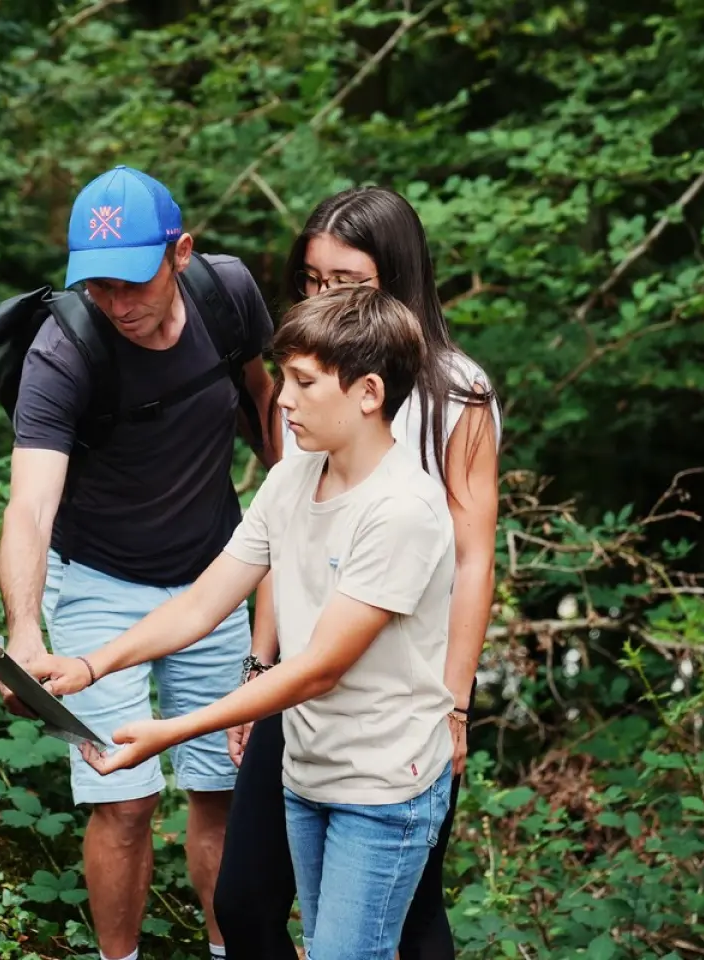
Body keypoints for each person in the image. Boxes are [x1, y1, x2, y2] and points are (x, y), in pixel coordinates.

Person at [42, 285, 460, 960]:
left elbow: (319, 667)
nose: (281, 399)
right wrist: (91, 664)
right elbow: (204, 601)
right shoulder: (294, 476)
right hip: (309, 771)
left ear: (368, 392)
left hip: (385, 789)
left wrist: (173, 731)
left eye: (303, 382)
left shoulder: (402, 509)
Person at [0, 164, 281, 960]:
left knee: (222, 790)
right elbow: (29, 507)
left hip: (215, 573)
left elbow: (262, 398)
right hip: (98, 581)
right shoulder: (66, 347)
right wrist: (24, 632)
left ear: (179, 253)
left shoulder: (228, 297)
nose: (117, 304)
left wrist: (293, 513)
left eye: (131, 283)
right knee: (122, 799)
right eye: (98, 287)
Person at [221, 185, 501, 960]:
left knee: (408, 917)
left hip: (401, 699)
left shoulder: (455, 393)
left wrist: (455, 703)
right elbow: (284, 533)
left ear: (398, 276)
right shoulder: (303, 381)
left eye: (346, 281)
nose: (322, 296)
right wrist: (257, 664)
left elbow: (474, 558)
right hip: (301, 676)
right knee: (243, 902)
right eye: (311, 280)